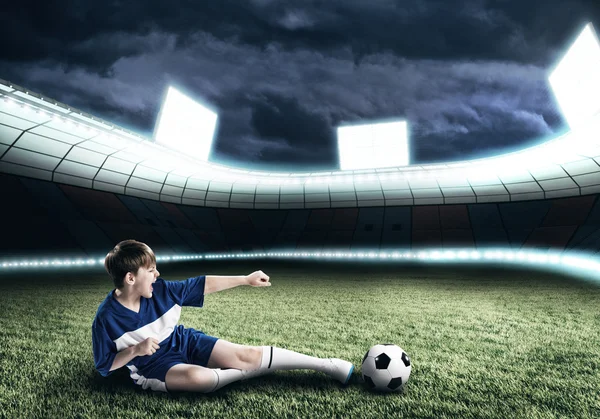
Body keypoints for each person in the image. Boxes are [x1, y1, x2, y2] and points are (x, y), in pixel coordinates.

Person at [92, 239, 354, 393]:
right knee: (200, 379)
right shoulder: (106, 319)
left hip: (183, 341)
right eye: (151, 270)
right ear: (130, 278)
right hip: (152, 366)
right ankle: (249, 373)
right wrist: (136, 350)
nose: (157, 275)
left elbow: (202, 284)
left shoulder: (162, 291)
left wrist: (245, 280)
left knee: (247, 355)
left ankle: (326, 364)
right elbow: (105, 366)